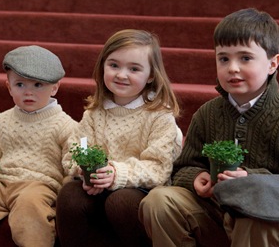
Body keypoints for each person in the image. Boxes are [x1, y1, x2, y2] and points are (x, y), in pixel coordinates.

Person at [139, 8, 279, 247]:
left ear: (273, 63)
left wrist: (252, 181)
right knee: (159, 200)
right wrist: (196, 178)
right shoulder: (207, 114)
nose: (232, 67)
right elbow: (183, 168)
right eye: (224, 58)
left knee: (255, 215)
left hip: (266, 220)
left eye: (245, 58)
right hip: (214, 209)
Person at [56, 29, 183, 247]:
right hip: (97, 187)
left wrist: (116, 174)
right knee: (70, 194)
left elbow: (159, 168)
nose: (121, 75)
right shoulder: (94, 113)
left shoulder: (160, 115)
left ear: (151, 75)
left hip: (139, 189)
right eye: (114, 65)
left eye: (134, 68)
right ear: (102, 66)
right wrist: (86, 172)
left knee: (120, 201)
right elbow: (74, 152)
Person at [0, 45, 78, 247]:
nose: (28, 92)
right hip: (0, 183)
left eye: (38, 85)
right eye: (20, 85)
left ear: (54, 88)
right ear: (9, 87)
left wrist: (77, 170)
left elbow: (73, 156)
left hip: (39, 185)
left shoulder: (65, 125)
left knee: (30, 204)